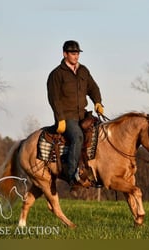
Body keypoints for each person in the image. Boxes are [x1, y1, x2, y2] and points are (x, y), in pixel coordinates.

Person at [47, 40, 104, 187]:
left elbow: (93, 88)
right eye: (73, 53)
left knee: (101, 133)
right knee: (77, 137)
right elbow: (54, 99)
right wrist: (60, 119)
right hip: (67, 117)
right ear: (65, 54)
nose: (76, 56)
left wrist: (97, 102)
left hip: (82, 114)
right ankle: (73, 177)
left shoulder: (83, 71)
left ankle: (98, 173)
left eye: (77, 53)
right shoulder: (56, 74)